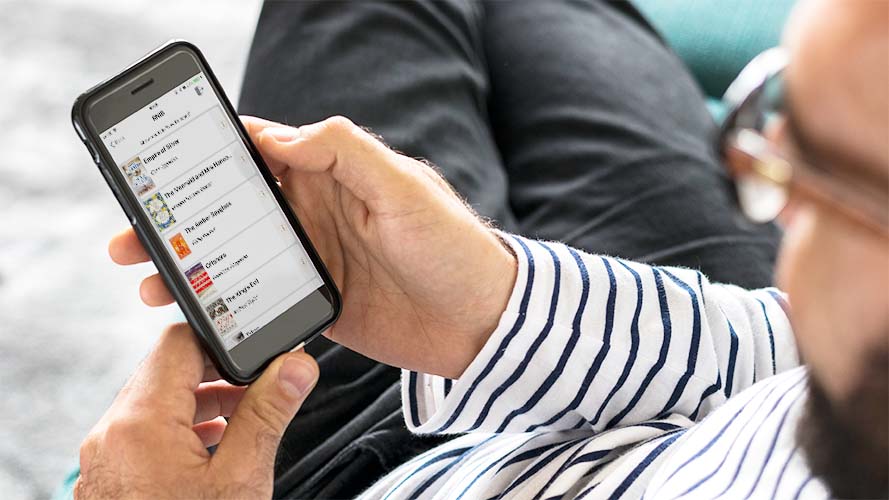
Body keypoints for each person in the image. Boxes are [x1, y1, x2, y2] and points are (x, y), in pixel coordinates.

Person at [72, 0, 887, 498]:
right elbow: (785, 358)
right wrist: (498, 308)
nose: (781, 228)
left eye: (819, 184)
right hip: (679, 379)